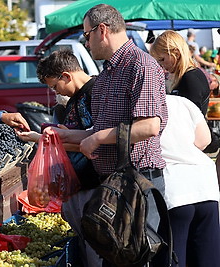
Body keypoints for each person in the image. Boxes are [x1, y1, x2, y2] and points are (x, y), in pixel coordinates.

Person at [46, 4, 168, 266]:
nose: (86, 43)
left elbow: (149, 127)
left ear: (102, 30)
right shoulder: (107, 73)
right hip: (115, 183)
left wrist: (98, 139)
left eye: (86, 35)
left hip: (139, 182)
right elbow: (97, 130)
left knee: (139, 257)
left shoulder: (141, 65)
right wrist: (64, 135)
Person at [16, 49, 99, 186]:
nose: (56, 91)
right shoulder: (73, 99)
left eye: (55, 86)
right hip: (78, 182)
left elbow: (92, 142)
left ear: (66, 76)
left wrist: (42, 138)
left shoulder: (97, 92)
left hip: (96, 182)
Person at [160, 95, 220, 267]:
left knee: (174, 256)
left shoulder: (139, 105)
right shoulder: (184, 102)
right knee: (208, 257)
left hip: (173, 187)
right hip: (203, 182)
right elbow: (204, 141)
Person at [150, 30, 219, 154]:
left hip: (194, 147)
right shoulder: (185, 76)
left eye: (162, 59)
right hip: (190, 145)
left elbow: (190, 121)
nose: (161, 65)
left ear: (175, 53)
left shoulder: (191, 78)